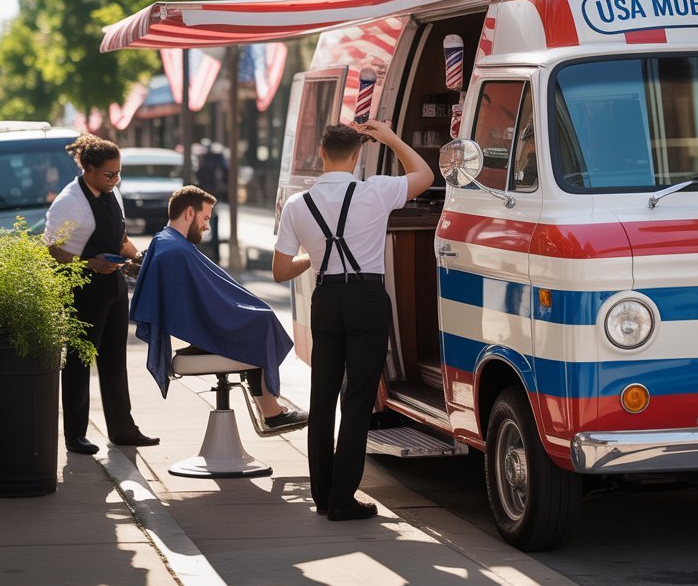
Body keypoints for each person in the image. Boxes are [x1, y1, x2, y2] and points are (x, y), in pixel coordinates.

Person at [273, 120, 433, 521]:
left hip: (325, 297)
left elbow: (279, 271)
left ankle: (323, 495)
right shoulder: (376, 191)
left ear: (322, 154)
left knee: (322, 397)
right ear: (357, 155)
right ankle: (344, 497)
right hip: (366, 297)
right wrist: (391, 137)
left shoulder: (297, 204)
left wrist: (319, 255)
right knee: (358, 397)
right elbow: (426, 175)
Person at [131, 186, 304, 430]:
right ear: (189, 213)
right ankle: (271, 413)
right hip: (204, 330)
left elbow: (204, 299)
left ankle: (270, 409)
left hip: (201, 329)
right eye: (205, 218)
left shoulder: (166, 242)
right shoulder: (175, 250)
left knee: (258, 323)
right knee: (260, 324)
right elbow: (207, 303)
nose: (207, 226)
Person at [44, 134, 158, 455]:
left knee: (114, 359)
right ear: (88, 168)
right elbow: (51, 250)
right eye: (109, 174)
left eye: (119, 173)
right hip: (82, 289)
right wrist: (89, 263)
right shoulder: (69, 202)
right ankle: (75, 434)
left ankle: (123, 429)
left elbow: (120, 236)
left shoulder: (113, 193)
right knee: (80, 362)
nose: (115, 179)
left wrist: (138, 259)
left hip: (114, 285)